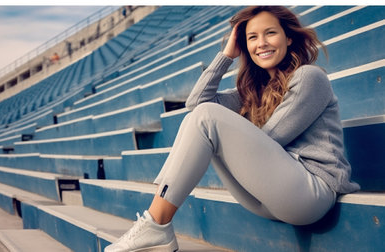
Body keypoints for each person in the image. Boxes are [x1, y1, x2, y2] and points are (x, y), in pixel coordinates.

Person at [105, 6, 360, 252]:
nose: (261, 43)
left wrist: (234, 135)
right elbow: (195, 103)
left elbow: (271, 138)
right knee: (200, 116)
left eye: (270, 33)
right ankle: (156, 223)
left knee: (207, 119)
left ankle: (156, 223)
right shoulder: (251, 92)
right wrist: (226, 55)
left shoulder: (309, 77)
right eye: (252, 37)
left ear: (289, 38)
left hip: (311, 192)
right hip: (269, 198)